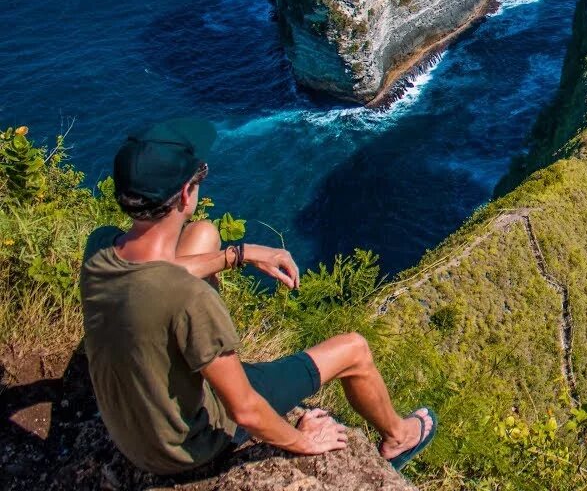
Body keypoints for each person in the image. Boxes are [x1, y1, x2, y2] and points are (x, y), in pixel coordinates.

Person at [79, 118, 436, 476]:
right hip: (189, 445)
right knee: (354, 349)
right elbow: (245, 410)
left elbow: (158, 272)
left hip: (132, 431)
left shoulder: (101, 246)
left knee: (204, 233)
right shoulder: (186, 299)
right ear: (186, 194)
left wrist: (238, 254)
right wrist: (303, 440)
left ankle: (214, 357)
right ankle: (399, 437)